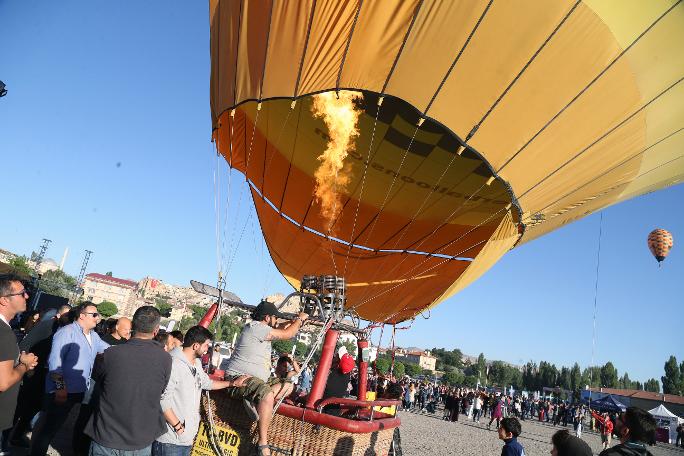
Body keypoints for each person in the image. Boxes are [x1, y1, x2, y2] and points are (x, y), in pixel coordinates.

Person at [223, 300, 309, 456]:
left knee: (288, 385)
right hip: (239, 378)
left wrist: (293, 321)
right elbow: (287, 333)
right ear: (268, 318)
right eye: (275, 318)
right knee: (267, 394)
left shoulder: (259, 328)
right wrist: (300, 319)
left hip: (256, 379)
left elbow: (282, 327)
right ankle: (263, 442)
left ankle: (255, 400)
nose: (277, 321)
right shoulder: (257, 328)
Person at [85, 306, 172, 456]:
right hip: (139, 439)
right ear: (156, 330)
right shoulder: (165, 359)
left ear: (133, 326)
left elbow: (100, 381)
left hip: (106, 434)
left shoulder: (111, 353)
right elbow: (161, 390)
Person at [153, 326, 250, 456]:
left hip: (185, 439)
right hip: (170, 440)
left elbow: (207, 383)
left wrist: (232, 383)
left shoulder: (196, 364)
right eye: (206, 345)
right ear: (196, 346)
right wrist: (178, 427)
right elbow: (162, 400)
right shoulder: (173, 364)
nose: (207, 349)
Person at [30, 302, 109, 456]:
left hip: (78, 389)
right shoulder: (67, 332)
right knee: (49, 428)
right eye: (94, 314)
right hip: (62, 390)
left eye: (97, 314)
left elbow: (108, 350)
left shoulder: (93, 336)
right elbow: (55, 363)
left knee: (55, 426)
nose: (97, 317)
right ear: (82, 315)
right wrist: (60, 388)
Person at [0, 274, 39, 455]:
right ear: (4, 300)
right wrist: (25, 364)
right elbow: (4, 382)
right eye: (22, 293)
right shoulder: (5, 333)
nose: (27, 296)